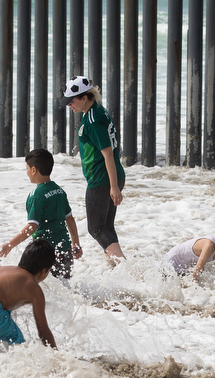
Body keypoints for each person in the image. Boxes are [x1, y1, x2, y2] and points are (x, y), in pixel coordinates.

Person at [61, 76, 126, 263]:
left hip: (102, 179)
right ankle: (115, 268)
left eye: (72, 101)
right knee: (106, 227)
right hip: (110, 177)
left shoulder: (93, 120)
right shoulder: (96, 110)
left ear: (85, 97)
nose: (69, 105)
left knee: (96, 229)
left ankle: (125, 267)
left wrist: (113, 187)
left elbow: (107, 155)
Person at [0, 148, 82, 279]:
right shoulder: (59, 191)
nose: (27, 172)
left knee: (29, 283)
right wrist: (75, 243)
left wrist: (10, 245)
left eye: (27, 168)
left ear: (34, 170)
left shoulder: (36, 195)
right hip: (65, 250)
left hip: (43, 253)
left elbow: (32, 226)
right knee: (63, 286)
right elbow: (70, 219)